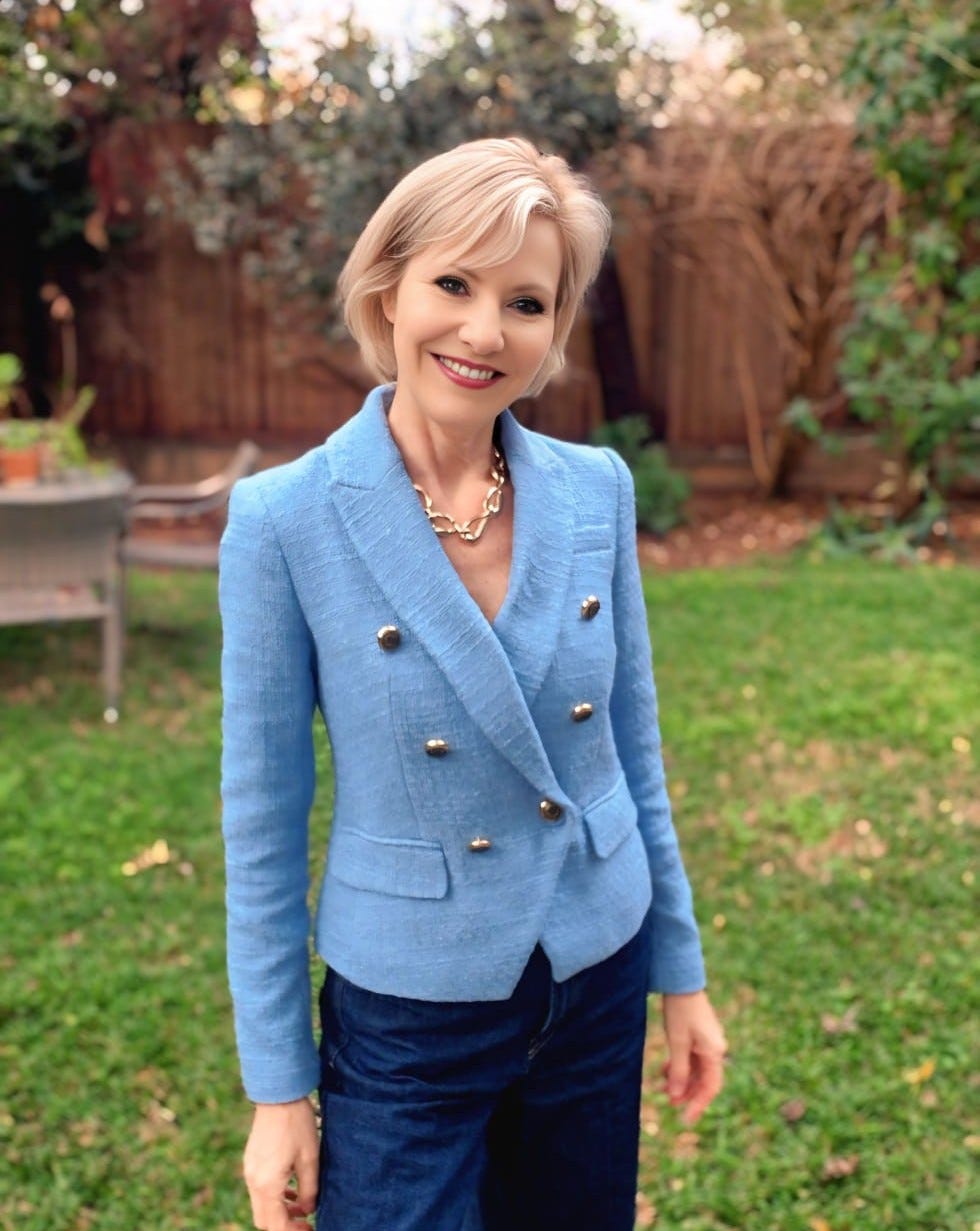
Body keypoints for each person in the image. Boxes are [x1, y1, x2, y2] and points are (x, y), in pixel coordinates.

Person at [219, 135, 726, 1231]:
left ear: (554, 328)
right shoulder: (284, 519)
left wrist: (678, 972)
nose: (485, 332)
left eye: (526, 302)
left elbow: (629, 752)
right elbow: (262, 822)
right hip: (409, 1008)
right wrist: (278, 1090)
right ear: (387, 287)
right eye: (453, 283)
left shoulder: (596, 491)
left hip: (597, 969)